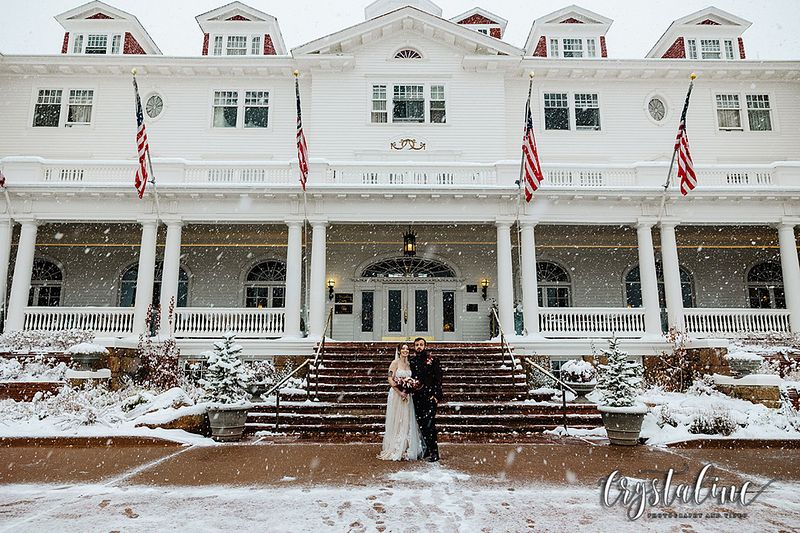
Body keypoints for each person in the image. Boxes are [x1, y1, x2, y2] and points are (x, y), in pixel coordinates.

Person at [378, 343, 423, 461]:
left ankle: (407, 447)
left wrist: (410, 388)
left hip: (407, 396)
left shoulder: (409, 364)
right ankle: (396, 446)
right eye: (403, 348)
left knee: (407, 420)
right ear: (398, 351)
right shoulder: (394, 363)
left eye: (407, 349)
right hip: (397, 395)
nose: (405, 350)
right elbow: (389, 378)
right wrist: (400, 392)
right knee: (397, 420)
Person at [410, 337, 443, 462]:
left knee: (430, 425)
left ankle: (435, 452)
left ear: (425, 346)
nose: (419, 347)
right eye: (417, 345)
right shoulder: (412, 361)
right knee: (422, 425)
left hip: (429, 397)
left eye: (421, 344)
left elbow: (438, 378)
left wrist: (436, 395)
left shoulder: (432, 360)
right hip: (417, 397)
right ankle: (427, 449)